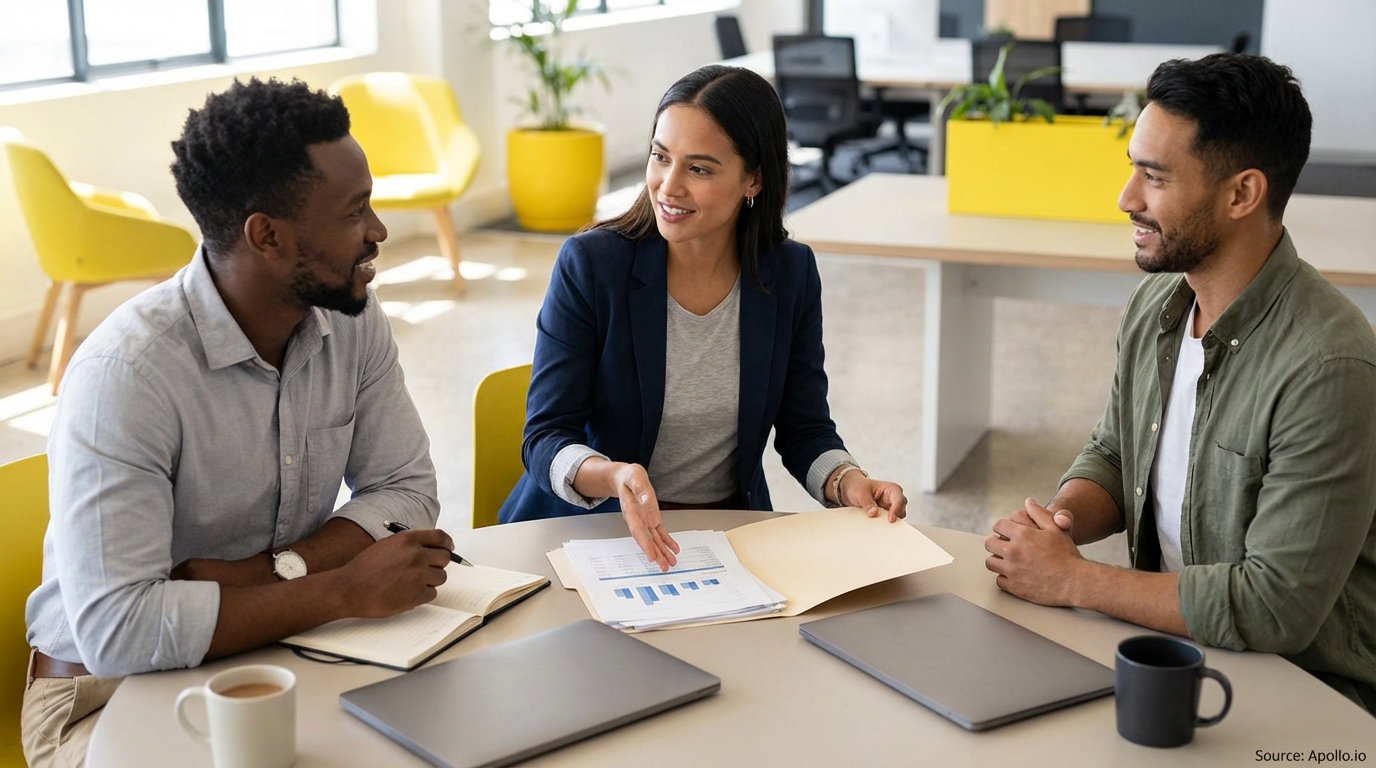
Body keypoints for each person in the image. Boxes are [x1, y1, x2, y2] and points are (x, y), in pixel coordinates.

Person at [21, 78, 455, 767]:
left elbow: (405, 489)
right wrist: (341, 587)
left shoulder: (352, 318)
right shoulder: (127, 374)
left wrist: (270, 572)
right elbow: (118, 630)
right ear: (268, 236)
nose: (378, 231)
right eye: (355, 211)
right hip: (98, 698)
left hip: (276, 650)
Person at [984, 53, 1376, 712]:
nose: (1127, 197)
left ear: (1242, 194)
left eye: (1155, 176)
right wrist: (1056, 527)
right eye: (1133, 167)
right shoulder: (1159, 305)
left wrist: (1075, 581)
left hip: (1301, 691)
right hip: (1168, 647)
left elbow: (1275, 607)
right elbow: (1114, 453)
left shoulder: (1329, 369)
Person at [498, 65, 909, 570]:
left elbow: (805, 430)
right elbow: (544, 437)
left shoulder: (789, 273)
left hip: (725, 535)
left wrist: (849, 482)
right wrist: (613, 477)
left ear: (753, 178)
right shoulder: (592, 264)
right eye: (660, 157)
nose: (668, 187)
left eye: (699, 168)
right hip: (589, 532)